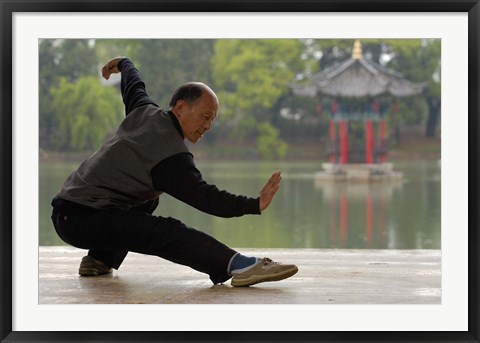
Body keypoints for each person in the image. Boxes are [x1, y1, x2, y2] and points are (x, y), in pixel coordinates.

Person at [51, 57, 298, 287]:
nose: (208, 126)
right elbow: (208, 199)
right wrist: (254, 204)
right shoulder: (170, 156)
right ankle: (238, 266)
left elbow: (134, 85)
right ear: (180, 107)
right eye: (205, 116)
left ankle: (99, 260)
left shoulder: (143, 110)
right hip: (81, 219)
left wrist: (124, 64)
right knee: (166, 231)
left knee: (148, 199)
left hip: (67, 214)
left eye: (212, 119)